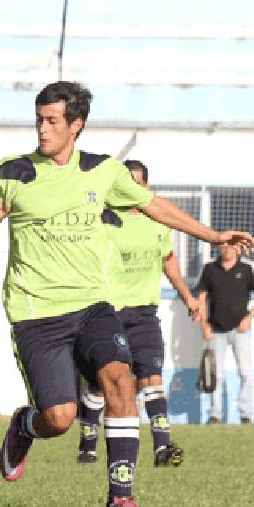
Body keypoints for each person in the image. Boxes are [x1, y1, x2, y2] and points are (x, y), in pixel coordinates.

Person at [0, 81, 254, 507]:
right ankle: (24, 425)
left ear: (75, 126)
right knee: (59, 417)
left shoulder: (103, 171)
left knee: (121, 380)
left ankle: (120, 497)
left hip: (93, 306)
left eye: (52, 121)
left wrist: (214, 236)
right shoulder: (12, 172)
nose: (42, 130)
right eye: (39, 120)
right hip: (36, 312)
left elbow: (155, 207)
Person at [75, 159, 200, 469]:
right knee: (103, 384)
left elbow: (167, 260)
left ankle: (162, 448)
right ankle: (88, 445)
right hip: (109, 312)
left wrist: (187, 296)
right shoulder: (104, 220)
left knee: (151, 379)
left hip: (145, 313)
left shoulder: (157, 222)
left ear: (146, 187)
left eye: (136, 184)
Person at [196, 241, 254, 424]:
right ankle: (215, 415)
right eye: (223, 245)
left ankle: (245, 414)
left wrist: (248, 318)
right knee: (215, 374)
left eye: (230, 246)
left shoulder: (248, 268)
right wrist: (204, 325)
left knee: (245, 372)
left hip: (240, 330)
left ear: (238, 248)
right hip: (215, 329)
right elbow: (201, 298)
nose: (226, 249)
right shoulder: (210, 268)